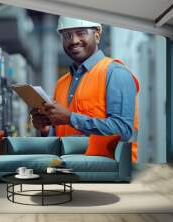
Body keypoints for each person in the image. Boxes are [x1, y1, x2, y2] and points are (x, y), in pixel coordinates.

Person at [31, 16, 139, 161]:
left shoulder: (115, 73)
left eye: (81, 33)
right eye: (67, 35)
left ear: (97, 35)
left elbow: (122, 130)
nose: (74, 40)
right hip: (70, 169)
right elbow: (62, 136)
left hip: (109, 173)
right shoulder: (62, 83)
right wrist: (46, 130)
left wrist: (70, 118)